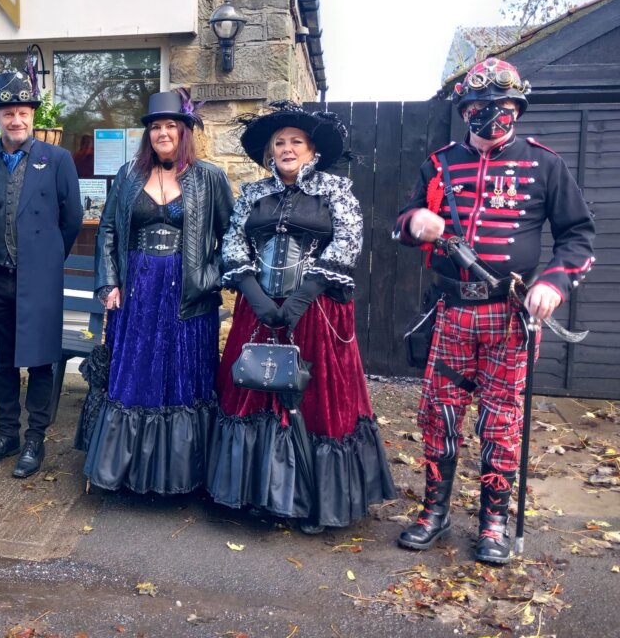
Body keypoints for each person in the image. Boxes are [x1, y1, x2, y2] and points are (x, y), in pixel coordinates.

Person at [394, 57, 594, 563]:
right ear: (466, 111)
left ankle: (493, 521)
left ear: (517, 109)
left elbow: (578, 236)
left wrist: (553, 283)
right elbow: (402, 222)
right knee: (438, 415)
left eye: (505, 107)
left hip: (511, 316)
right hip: (452, 309)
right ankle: (434, 512)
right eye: (482, 107)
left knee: (501, 420)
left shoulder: (546, 164)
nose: (494, 116)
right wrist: (417, 220)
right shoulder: (439, 164)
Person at [207, 100, 396, 533]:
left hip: (317, 312)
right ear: (270, 152)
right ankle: (257, 494)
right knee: (254, 391)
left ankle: (313, 502)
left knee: (313, 401)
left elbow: (347, 244)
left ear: (312, 151)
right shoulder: (254, 193)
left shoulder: (335, 191)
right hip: (259, 313)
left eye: (296, 142)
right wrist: (255, 296)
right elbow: (234, 244)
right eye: (279, 142)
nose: (287, 148)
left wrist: (301, 299)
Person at [78, 89, 234, 494]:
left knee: (183, 376)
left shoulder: (211, 177)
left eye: (171, 126)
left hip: (188, 296)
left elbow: (233, 238)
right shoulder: (129, 176)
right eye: (156, 127)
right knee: (138, 377)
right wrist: (109, 281)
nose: (163, 133)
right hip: (139, 291)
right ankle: (127, 473)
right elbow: (109, 229)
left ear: (185, 131)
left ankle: (183, 475)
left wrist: (209, 277)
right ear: (148, 134)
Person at [0, 70, 83, 478]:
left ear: (32, 116)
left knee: (39, 361)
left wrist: (47, 259)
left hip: (38, 279)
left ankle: (35, 438)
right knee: (0, 360)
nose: (15, 120)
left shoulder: (57, 160)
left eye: (22, 112)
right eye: (7, 113)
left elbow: (72, 218)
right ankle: (6, 434)